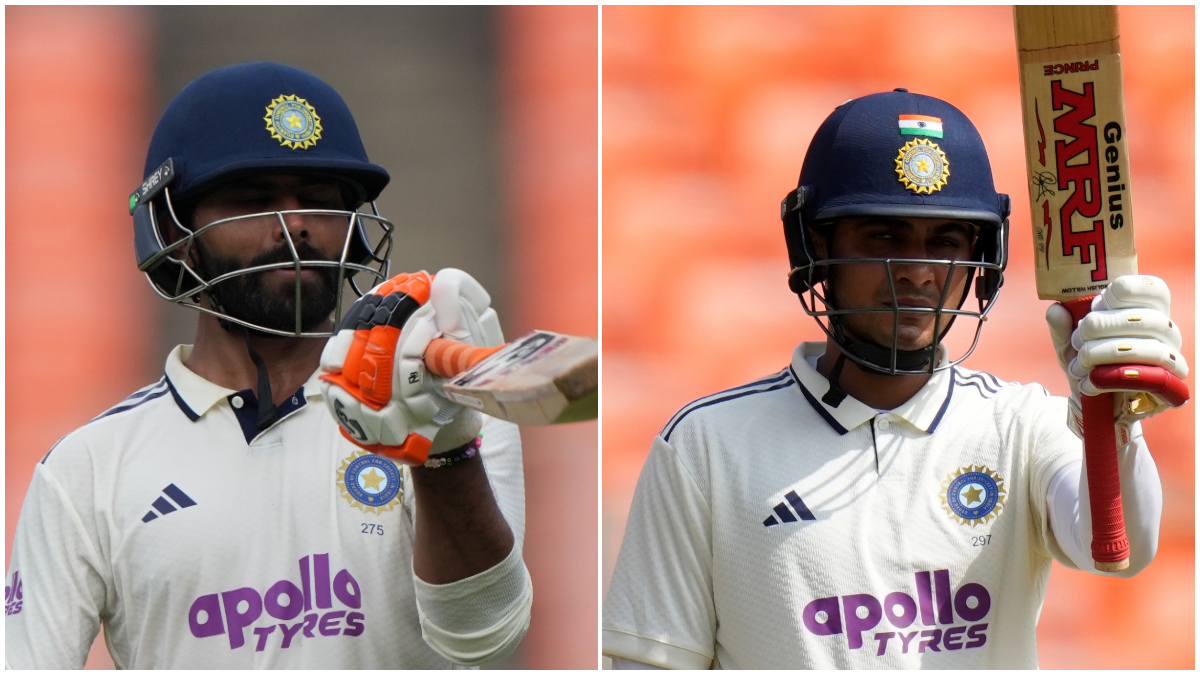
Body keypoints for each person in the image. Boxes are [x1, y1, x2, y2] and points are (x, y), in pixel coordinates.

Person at [601, 90, 1188, 669]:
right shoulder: (706, 447)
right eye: (883, 237)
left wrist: (1109, 426)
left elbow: (1121, 550)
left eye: (946, 241)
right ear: (814, 244)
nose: (917, 271)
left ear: (982, 261)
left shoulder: (1020, 426)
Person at [5, 62, 531, 668]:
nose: (296, 225)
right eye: (252, 201)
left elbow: (483, 635)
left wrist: (442, 451)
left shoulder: (448, 408)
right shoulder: (89, 468)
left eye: (318, 200)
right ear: (175, 230)